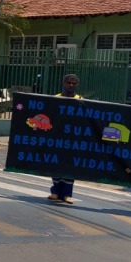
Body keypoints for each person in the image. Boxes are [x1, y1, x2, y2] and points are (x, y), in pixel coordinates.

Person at [48, 74, 80, 204]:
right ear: (63, 83)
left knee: (69, 165)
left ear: (77, 86)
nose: (71, 85)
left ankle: (67, 194)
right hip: (57, 137)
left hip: (72, 139)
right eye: (68, 82)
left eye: (73, 83)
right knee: (56, 163)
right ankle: (55, 192)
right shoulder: (55, 99)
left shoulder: (81, 100)